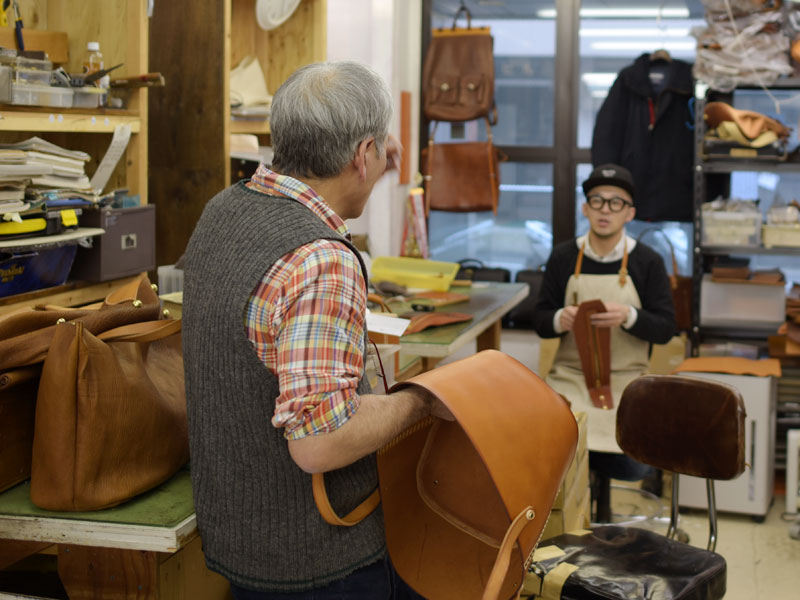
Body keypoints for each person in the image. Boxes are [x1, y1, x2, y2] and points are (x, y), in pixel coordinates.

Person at [181, 60, 450, 599]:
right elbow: (320, 442)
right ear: (360, 155)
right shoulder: (321, 259)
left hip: (245, 543)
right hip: (322, 563)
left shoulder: (224, 210)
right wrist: (423, 401)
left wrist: (368, 162)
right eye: (377, 152)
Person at [532, 163, 676, 517]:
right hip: (572, 376)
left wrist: (629, 316)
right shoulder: (565, 257)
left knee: (631, 464)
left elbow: (666, 327)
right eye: (597, 201)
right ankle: (570, 519)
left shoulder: (647, 262)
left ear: (630, 213)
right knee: (548, 442)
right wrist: (559, 318)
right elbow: (538, 319)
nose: (605, 210)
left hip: (626, 380)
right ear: (585, 208)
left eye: (615, 203)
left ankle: (600, 514)